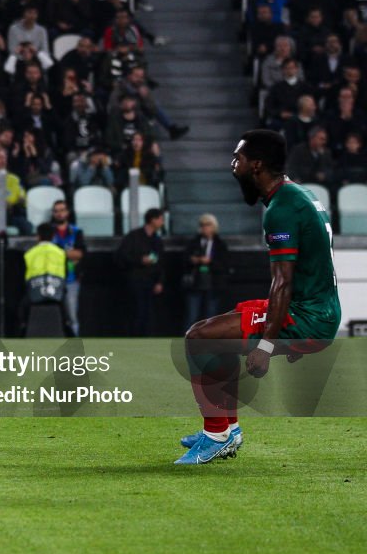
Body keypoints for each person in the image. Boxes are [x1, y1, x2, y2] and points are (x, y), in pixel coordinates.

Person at [178, 130, 340, 465]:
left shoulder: (281, 209)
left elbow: (281, 282)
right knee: (214, 331)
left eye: (237, 157)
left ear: (257, 165)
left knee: (198, 338)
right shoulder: (299, 195)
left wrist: (267, 345)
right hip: (316, 309)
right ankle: (228, 428)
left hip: (307, 315)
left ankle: (217, 435)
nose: (232, 164)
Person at [115, 208, 164, 337]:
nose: (162, 222)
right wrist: (140, 260)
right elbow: (122, 256)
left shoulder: (157, 240)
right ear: (153, 220)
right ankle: (134, 336)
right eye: (160, 219)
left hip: (150, 280)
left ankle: (147, 337)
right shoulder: (133, 237)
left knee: (149, 312)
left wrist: (159, 281)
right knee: (136, 310)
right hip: (135, 279)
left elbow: (160, 262)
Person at [183, 213, 230, 332]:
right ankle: (189, 340)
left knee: (211, 316)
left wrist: (210, 262)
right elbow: (184, 259)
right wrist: (195, 260)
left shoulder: (220, 244)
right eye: (202, 225)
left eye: (207, 225)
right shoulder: (194, 243)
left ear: (214, 226)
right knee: (192, 315)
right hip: (195, 283)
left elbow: (225, 264)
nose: (204, 227)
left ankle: (209, 342)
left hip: (213, 283)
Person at [21, 223, 67, 336]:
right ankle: (67, 329)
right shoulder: (61, 253)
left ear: (38, 236)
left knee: (22, 307)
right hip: (57, 295)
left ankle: (23, 329)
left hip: (34, 295)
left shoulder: (29, 254)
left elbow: (25, 275)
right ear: (53, 236)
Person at [50, 200, 85, 336]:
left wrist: (58, 252)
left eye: (62, 210)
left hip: (71, 279)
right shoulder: (49, 231)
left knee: (72, 316)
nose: (60, 213)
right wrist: (69, 254)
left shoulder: (76, 231)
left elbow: (80, 253)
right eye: (56, 211)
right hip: (53, 278)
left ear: (68, 212)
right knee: (53, 314)